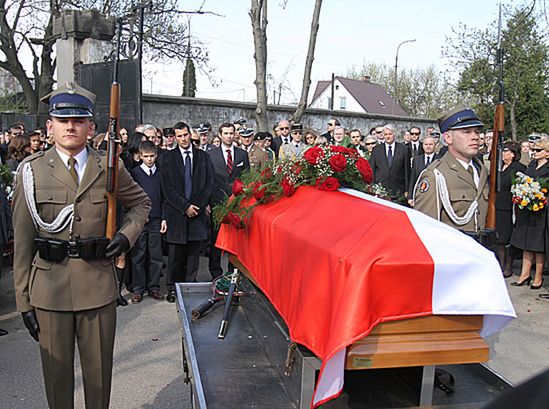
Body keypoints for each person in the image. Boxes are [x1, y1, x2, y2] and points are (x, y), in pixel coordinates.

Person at [12, 81, 150, 409]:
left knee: (99, 379)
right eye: (63, 120)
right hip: (49, 288)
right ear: (50, 126)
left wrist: (125, 236)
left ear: (91, 126)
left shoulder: (109, 166)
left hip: (97, 286)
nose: (70, 126)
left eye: (78, 120)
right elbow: (23, 240)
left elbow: (142, 204)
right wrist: (23, 302)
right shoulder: (31, 172)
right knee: (57, 383)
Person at [413, 105, 489, 236]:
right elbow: (425, 231)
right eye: (466, 132)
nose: (475, 137)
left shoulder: (481, 170)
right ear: (448, 138)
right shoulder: (435, 175)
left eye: (476, 131)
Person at [161, 121, 214, 301]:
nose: (183, 139)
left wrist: (196, 207)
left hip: (197, 213)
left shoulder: (203, 157)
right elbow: (167, 188)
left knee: (193, 255)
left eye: (185, 135)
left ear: (190, 134)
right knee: (175, 254)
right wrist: (185, 207)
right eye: (179, 136)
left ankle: (190, 286)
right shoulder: (167, 158)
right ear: (175, 138)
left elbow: (209, 184)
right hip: (177, 213)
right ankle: (172, 288)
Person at [208, 122, 250, 278]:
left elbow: (247, 178)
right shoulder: (211, 154)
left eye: (231, 133)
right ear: (220, 134)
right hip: (217, 201)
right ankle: (215, 271)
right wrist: (207, 202)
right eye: (226, 133)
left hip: (236, 203)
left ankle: (233, 271)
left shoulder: (241, 154)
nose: (229, 136)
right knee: (216, 237)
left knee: (234, 238)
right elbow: (207, 179)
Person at [509, 138, 549, 289]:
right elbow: (524, 180)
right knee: (526, 242)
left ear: (547, 153)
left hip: (541, 210)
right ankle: (524, 274)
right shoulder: (531, 165)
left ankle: (538, 277)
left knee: (538, 245)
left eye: (538, 150)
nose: (534, 153)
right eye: (534, 150)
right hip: (528, 208)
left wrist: (540, 195)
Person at [130, 141, 166, 304]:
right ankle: (138, 289)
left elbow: (165, 198)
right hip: (139, 220)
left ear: (156, 155)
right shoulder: (135, 173)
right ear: (140, 156)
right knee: (138, 254)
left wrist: (164, 218)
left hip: (156, 219)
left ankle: (154, 287)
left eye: (152, 156)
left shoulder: (160, 174)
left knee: (155, 255)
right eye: (146, 156)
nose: (149, 159)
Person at [495, 142, 526, 278]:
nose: (502, 153)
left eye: (505, 150)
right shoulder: (499, 166)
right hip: (498, 207)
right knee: (499, 239)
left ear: (513, 153)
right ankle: (501, 265)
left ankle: (508, 266)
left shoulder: (518, 168)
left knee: (508, 238)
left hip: (510, 208)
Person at [368, 123, 411, 199]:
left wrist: (407, 190)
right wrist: (372, 186)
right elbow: (372, 169)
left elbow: (407, 171)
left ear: (394, 134)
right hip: (381, 189)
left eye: (390, 134)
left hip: (398, 189)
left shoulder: (404, 149)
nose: (388, 136)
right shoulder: (376, 150)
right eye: (386, 134)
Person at [408, 136, 437, 206]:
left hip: (434, 195)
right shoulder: (417, 159)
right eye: (426, 144)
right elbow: (413, 178)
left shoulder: (440, 159)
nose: (428, 146)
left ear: (435, 146)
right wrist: (410, 196)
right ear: (423, 146)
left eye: (430, 144)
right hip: (419, 194)